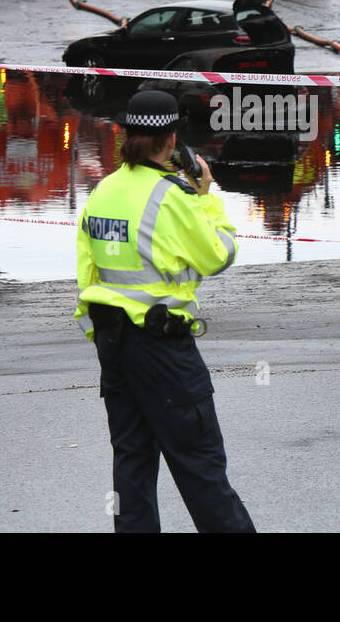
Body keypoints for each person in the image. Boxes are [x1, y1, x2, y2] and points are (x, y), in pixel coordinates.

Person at [75, 90, 255, 534]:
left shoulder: (102, 191)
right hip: (163, 349)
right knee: (201, 467)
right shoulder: (173, 196)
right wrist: (207, 195)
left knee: (132, 469)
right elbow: (219, 254)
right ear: (171, 139)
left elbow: (88, 272)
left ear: (126, 133)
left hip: (114, 346)